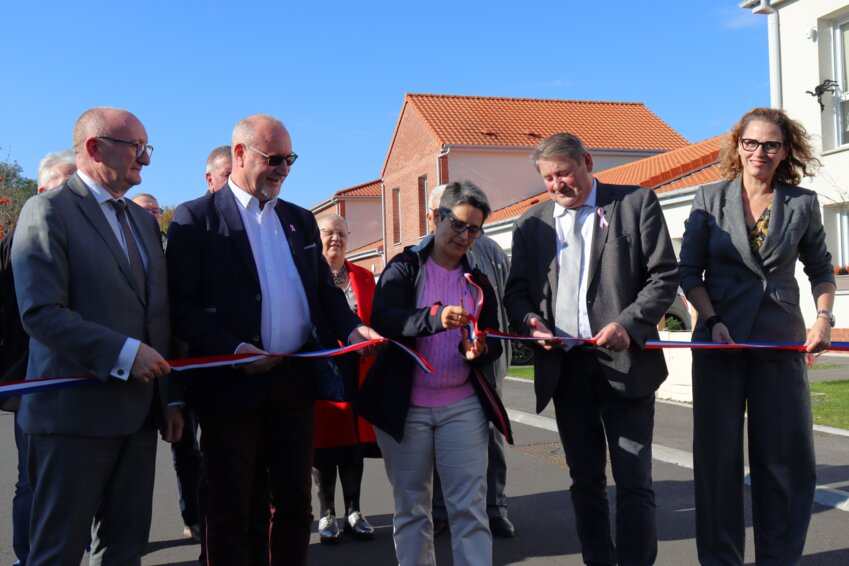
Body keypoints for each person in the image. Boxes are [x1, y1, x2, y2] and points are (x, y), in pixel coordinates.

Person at [166, 113, 382, 566]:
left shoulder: (299, 220)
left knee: (295, 505)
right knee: (230, 507)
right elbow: (182, 308)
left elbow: (324, 292)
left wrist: (351, 327)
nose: (284, 169)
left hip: (293, 384)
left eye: (290, 159)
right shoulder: (196, 219)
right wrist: (233, 350)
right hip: (230, 386)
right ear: (240, 154)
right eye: (274, 158)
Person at [10, 107, 183, 565]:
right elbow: (41, 312)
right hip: (72, 420)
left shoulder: (144, 222)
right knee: (58, 552)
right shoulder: (47, 211)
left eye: (147, 148)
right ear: (94, 148)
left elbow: (157, 314)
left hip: (138, 417)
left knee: (124, 550)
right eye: (137, 148)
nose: (146, 159)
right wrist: (125, 353)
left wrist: (170, 399)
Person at [504, 133, 678, 566]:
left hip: (626, 364)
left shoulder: (635, 203)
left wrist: (629, 323)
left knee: (633, 481)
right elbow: (516, 294)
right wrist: (530, 323)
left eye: (564, 173)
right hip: (566, 370)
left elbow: (663, 277)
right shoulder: (531, 224)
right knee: (585, 480)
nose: (557, 185)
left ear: (587, 161)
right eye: (548, 178)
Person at [678, 107, 835, 566]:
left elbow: (821, 269)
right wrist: (711, 320)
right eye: (751, 143)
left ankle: (779, 559)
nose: (759, 152)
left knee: (784, 461)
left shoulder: (802, 203)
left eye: (770, 145)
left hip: (778, 342)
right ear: (738, 145)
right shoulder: (709, 198)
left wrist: (823, 318)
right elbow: (689, 272)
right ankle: (720, 559)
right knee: (717, 463)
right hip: (718, 341)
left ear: (785, 151)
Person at [357, 180, 510, 566]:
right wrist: (434, 318)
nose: (464, 236)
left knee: (469, 508)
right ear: (435, 218)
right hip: (407, 407)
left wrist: (479, 349)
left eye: (474, 229)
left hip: (463, 406)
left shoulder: (478, 280)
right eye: (457, 224)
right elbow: (384, 319)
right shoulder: (404, 266)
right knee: (412, 509)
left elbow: (493, 337)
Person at [426, 185, 515, 538]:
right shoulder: (420, 255)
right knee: (437, 439)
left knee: (490, 434)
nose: (460, 229)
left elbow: (507, 298)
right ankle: (439, 509)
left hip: (486, 359)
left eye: (468, 222)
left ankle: (495, 508)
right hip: (438, 364)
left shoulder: (490, 250)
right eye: (448, 217)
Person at [1, 149, 76, 566]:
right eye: (65, 187)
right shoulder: (13, 245)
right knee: (31, 478)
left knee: (76, 476)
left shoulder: (83, 242)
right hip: (29, 380)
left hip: (80, 378)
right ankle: (27, 556)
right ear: (41, 190)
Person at [312, 214, 379, 543]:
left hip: (359, 371)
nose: (335, 238)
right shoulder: (308, 276)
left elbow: (375, 317)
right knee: (325, 447)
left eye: (341, 233)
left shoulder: (363, 277)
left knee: (355, 445)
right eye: (328, 232)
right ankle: (327, 513)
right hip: (322, 372)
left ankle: (354, 510)